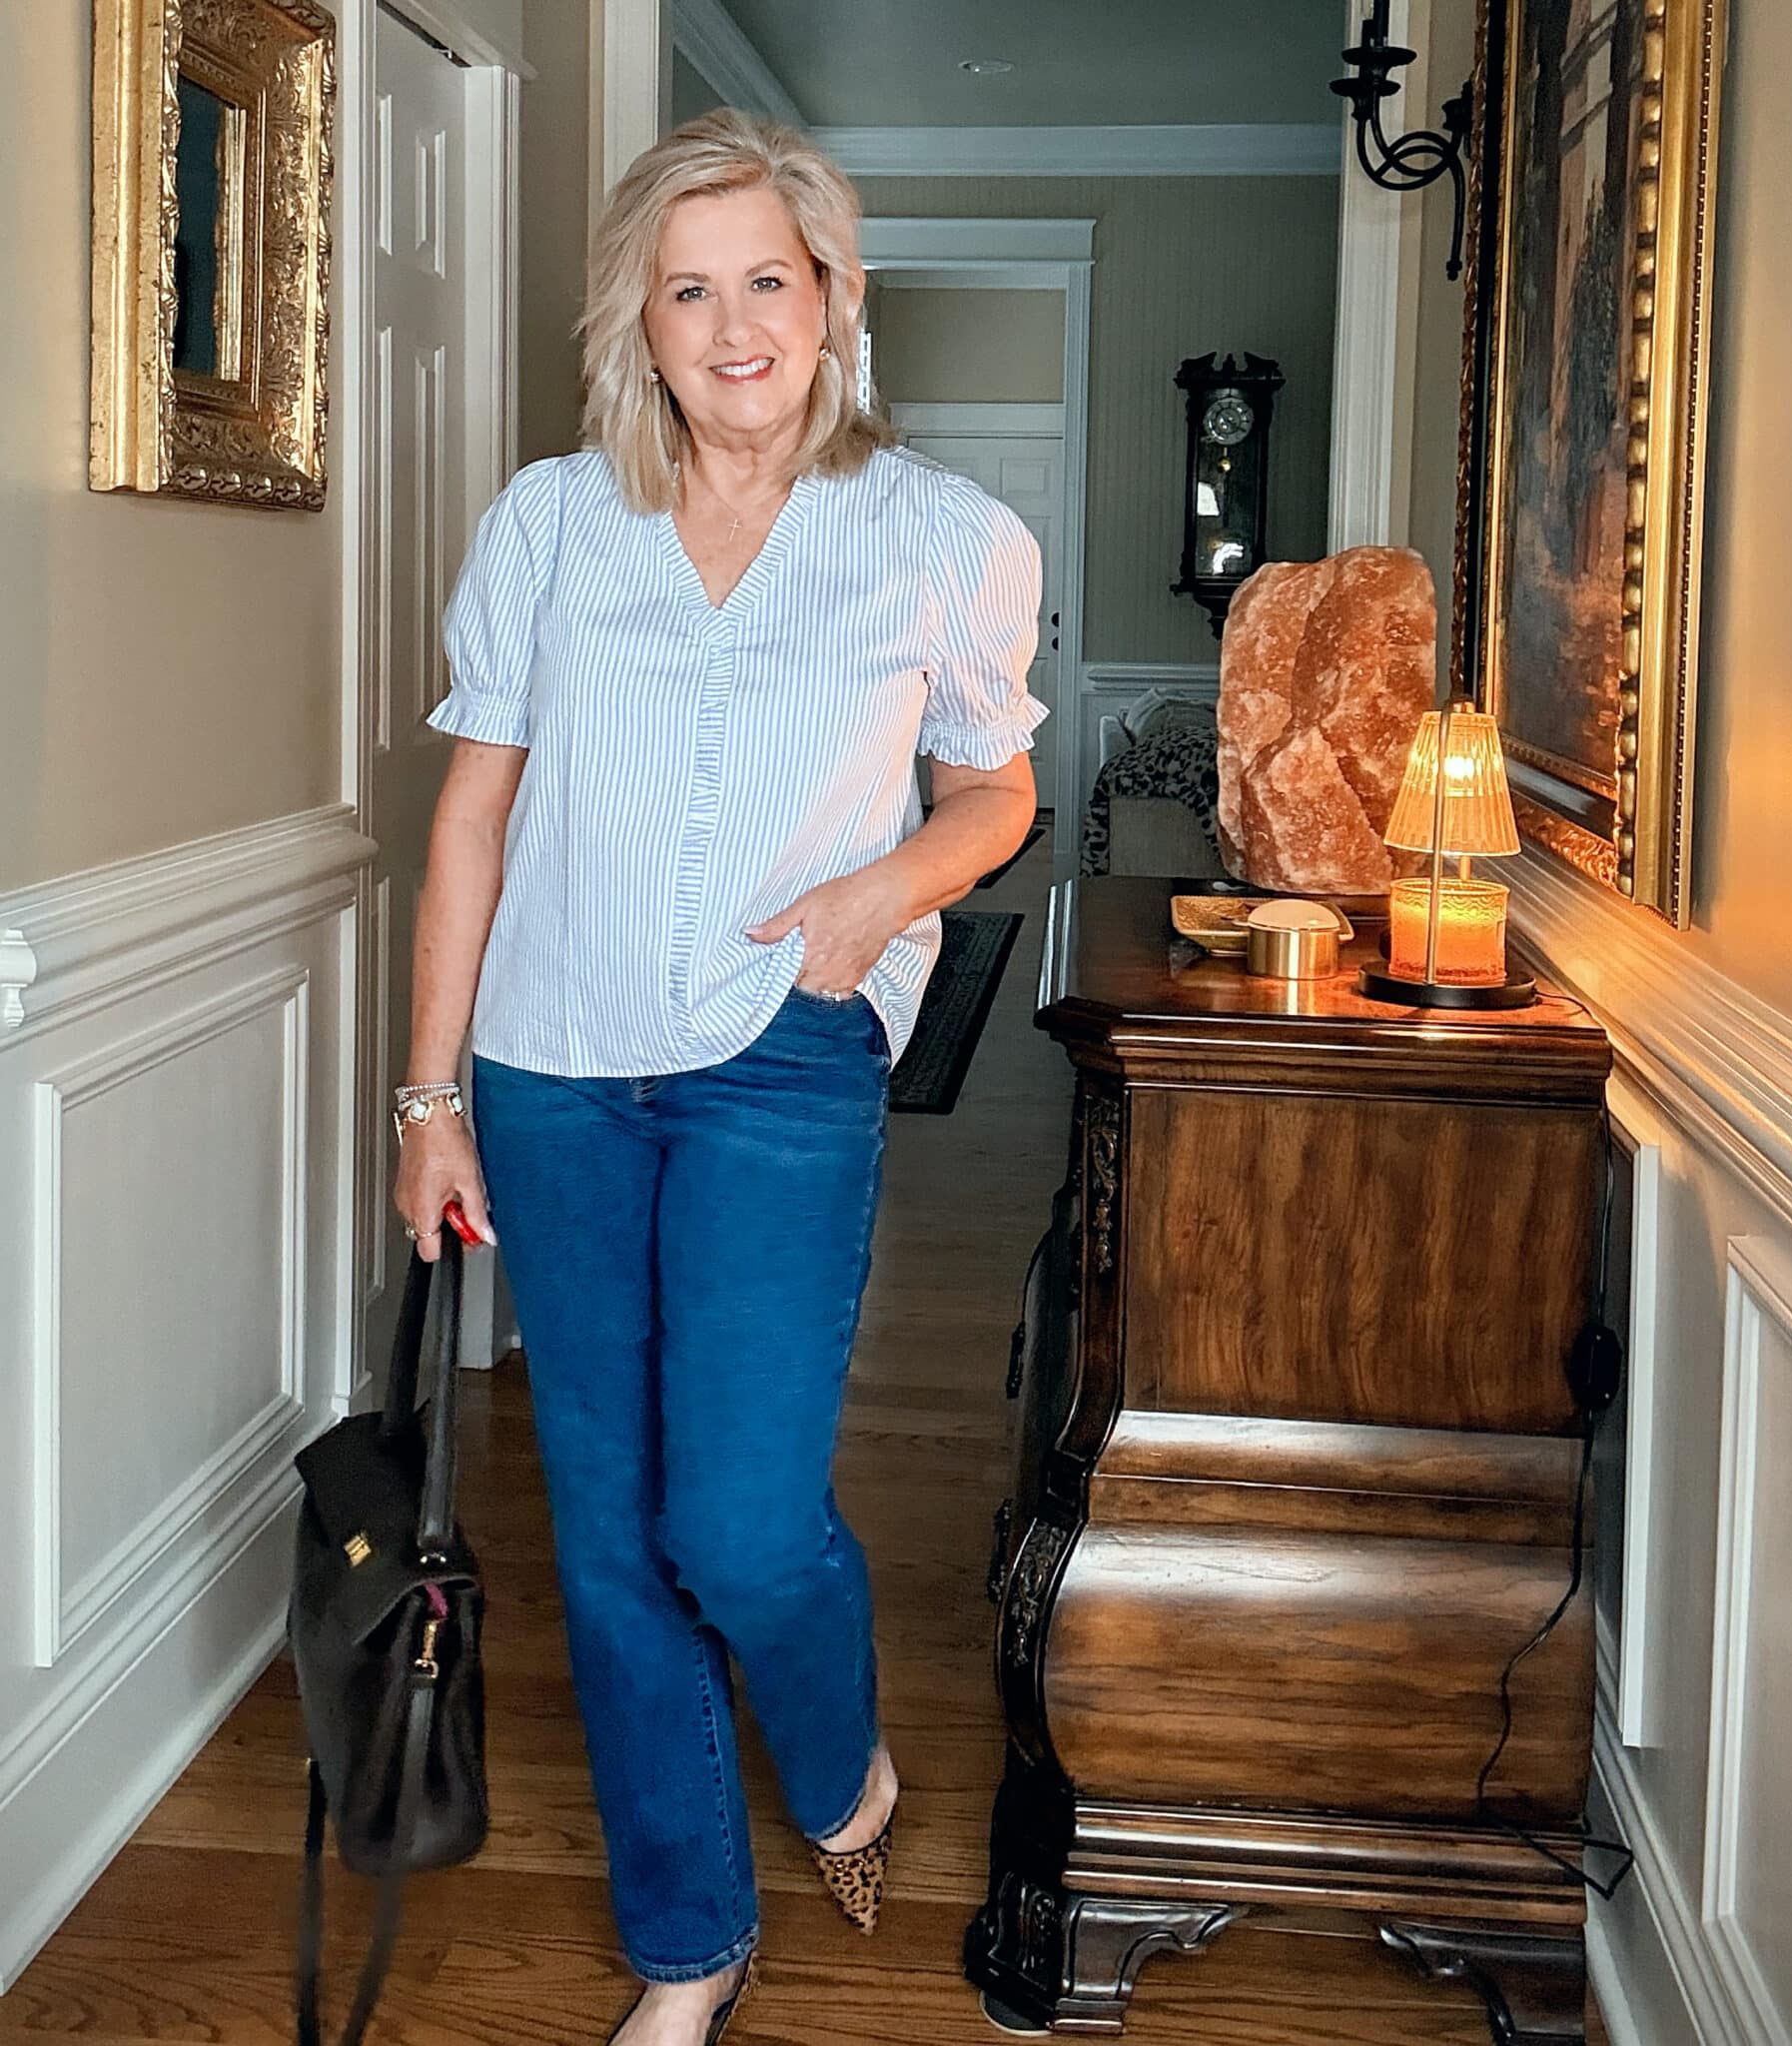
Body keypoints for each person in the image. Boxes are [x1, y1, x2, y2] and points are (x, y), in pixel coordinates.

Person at [391, 107, 1046, 2046]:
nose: (734, 324)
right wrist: (428, 1096)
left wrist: (877, 897)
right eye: (690, 290)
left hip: (781, 1048)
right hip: (552, 1064)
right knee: (607, 1535)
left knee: (740, 1527)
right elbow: (472, 821)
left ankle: (840, 1759)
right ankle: (689, 1944)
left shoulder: (942, 536)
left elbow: (995, 792)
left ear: (833, 298)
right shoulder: (549, 523)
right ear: (640, 323)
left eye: (770, 278)